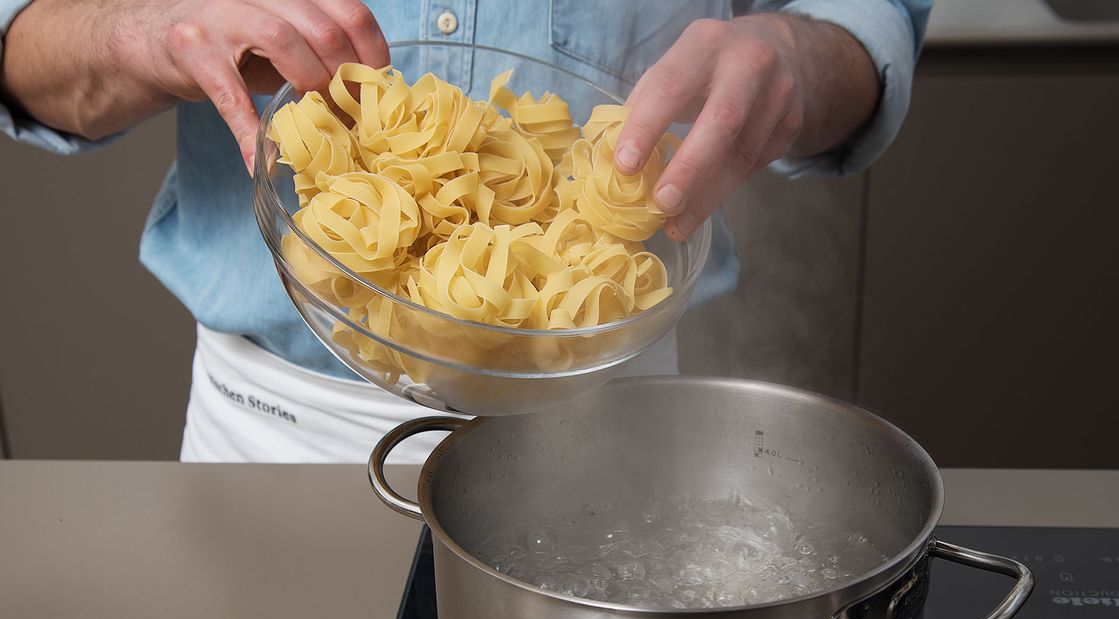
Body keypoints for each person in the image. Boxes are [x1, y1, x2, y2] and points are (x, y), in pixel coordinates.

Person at [0, 0, 930, 462]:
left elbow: (864, 23)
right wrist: (128, 28)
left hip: (609, 433)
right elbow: (26, 44)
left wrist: (802, 60)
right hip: (272, 439)